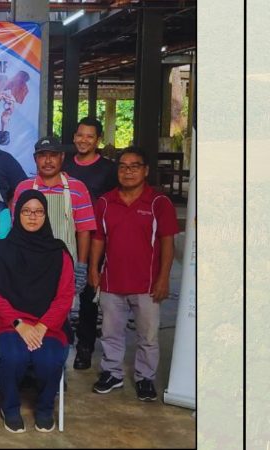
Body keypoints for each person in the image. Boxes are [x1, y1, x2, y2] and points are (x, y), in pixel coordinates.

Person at [89, 148, 178, 401]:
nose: (128, 171)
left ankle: (145, 378)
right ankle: (112, 373)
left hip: (147, 285)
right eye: (123, 166)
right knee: (110, 333)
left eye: (134, 166)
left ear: (145, 170)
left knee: (148, 336)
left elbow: (167, 243)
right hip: (111, 282)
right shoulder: (106, 202)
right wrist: (94, 269)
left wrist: (163, 278)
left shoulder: (159, 203)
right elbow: (98, 239)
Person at [0, 189, 74, 433]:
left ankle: (45, 408)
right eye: (26, 211)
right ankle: (10, 407)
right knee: (14, 356)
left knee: (49, 359)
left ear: (46, 216)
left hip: (49, 324)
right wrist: (19, 324)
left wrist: (43, 326)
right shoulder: (2, 250)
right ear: (17, 214)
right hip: (9, 323)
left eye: (38, 212)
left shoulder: (58, 252)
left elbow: (65, 295)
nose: (32, 216)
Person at [61, 118, 119, 370]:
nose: (83, 140)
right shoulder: (63, 165)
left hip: (94, 239)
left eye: (90, 136)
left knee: (88, 291)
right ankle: (60, 340)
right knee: (59, 290)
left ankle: (85, 346)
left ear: (98, 140)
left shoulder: (108, 170)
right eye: (80, 135)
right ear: (74, 137)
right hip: (64, 236)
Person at [12, 136, 96, 300]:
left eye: (53, 155)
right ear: (35, 159)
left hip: (66, 265)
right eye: (43, 156)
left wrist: (81, 265)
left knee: (63, 311)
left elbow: (84, 231)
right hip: (30, 264)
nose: (48, 161)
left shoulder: (78, 188)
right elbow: (17, 230)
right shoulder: (23, 188)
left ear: (62, 157)